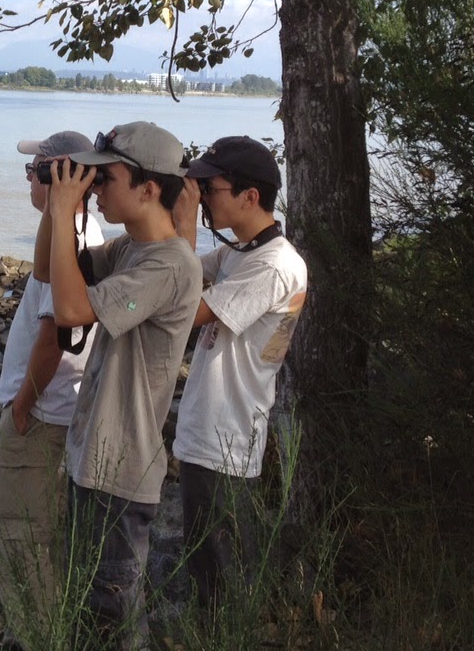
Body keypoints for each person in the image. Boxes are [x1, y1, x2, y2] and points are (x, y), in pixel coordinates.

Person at [39, 121, 202, 651]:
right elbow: (49, 272)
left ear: (149, 188)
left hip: (120, 474)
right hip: (94, 462)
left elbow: (70, 309)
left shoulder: (170, 266)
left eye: (105, 178)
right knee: (88, 614)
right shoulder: (131, 248)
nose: (97, 188)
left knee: (111, 619)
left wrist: (66, 208)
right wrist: (57, 206)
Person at [170, 135, 308, 610]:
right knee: (208, 572)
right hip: (210, 432)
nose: (204, 197)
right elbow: (177, 271)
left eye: (211, 188)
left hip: (225, 438)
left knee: (219, 585)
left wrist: (185, 224)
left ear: (250, 197)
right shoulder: (242, 251)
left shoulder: (275, 265)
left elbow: (185, 310)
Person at [0, 130, 106, 646]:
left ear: (62, 172)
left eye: (37, 169)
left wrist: (22, 405)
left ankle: (39, 638)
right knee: (46, 540)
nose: (30, 179)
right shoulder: (77, 230)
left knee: (21, 544)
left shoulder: (73, 238)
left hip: (40, 418)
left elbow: (55, 333)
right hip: (59, 412)